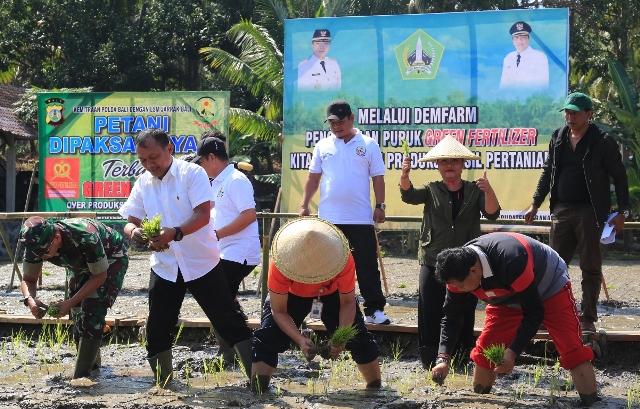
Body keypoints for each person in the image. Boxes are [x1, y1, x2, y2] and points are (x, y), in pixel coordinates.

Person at [118, 128, 254, 385]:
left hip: (202, 262)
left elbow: (203, 214)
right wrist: (135, 232)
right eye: (143, 160)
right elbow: (131, 219)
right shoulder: (143, 182)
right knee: (158, 327)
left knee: (227, 320)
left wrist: (175, 232)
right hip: (165, 265)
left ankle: (259, 380)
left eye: (154, 157)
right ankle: (164, 385)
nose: (150, 164)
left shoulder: (192, 173)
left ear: (169, 148)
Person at [431, 232, 600, 407]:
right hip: (505, 299)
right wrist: (443, 359)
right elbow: (451, 318)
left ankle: (593, 402)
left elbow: (534, 313)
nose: (459, 289)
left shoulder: (511, 258)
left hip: (549, 287)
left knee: (571, 347)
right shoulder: (457, 272)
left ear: (474, 271)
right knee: (486, 349)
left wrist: (512, 352)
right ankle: (481, 398)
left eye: (461, 286)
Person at [524, 92, 629, 334]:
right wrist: (535, 203)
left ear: (589, 114)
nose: (570, 117)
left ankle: (587, 318)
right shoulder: (559, 137)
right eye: (567, 112)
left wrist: (622, 211)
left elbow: (620, 176)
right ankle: (548, 317)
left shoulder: (602, 141)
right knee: (551, 267)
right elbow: (548, 171)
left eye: (575, 112)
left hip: (590, 212)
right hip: (561, 210)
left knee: (590, 267)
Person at [399, 135, 501, 368]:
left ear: (463, 164)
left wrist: (489, 190)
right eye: (444, 161)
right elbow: (409, 195)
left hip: (464, 262)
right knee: (430, 309)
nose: (449, 166)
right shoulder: (431, 190)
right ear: (437, 166)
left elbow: (492, 213)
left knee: (463, 310)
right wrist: (404, 176)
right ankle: (430, 360)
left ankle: (461, 357)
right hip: (433, 258)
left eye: (454, 161)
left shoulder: (475, 191)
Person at [251, 217, 381, 392]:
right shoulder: (280, 264)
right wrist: (300, 339)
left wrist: (340, 338)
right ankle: (258, 391)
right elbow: (279, 311)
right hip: (292, 295)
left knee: (358, 336)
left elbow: (348, 303)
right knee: (267, 336)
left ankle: (375, 389)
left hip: (331, 293)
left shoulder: (343, 258)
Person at [300, 99, 389, 325]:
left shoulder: (369, 145)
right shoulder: (322, 145)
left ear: (352, 118)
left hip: (360, 217)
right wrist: (304, 205)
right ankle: (321, 310)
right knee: (325, 266)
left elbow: (378, 177)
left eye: (340, 121)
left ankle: (373, 310)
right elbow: (313, 178)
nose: (336, 126)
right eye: (331, 123)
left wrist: (380, 205)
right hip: (329, 219)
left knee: (366, 264)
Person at [19, 216, 128, 379]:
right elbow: (28, 280)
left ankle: (82, 378)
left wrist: (69, 303)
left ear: (56, 238)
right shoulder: (36, 244)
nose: (41, 257)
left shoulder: (85, 236)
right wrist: (30, 299)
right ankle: (94, 368)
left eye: (44, 253)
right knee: (78, 316)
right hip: (78, 264)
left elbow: (99, 276)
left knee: (92, 311)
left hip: (110, 257)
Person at [188, 131, 261, 364]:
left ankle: (234, 353)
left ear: (211, 157)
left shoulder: (236, 180)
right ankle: (236, 351)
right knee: (222, 301)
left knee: (217, 300)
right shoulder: (217, 181)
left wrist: (216, 235)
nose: (200, 167)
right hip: (225, 251)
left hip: (239, 253)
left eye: (201, 162)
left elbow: (249, 216)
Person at [499, 21, 549, 89]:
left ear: (528, 39)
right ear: (512, 41)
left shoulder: (539, 57)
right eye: (516, 38)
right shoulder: (508, 58)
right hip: (510, 98)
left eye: (523, 37)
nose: (519, 41)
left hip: (531, 98)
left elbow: (542, 85)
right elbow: (503, 84)